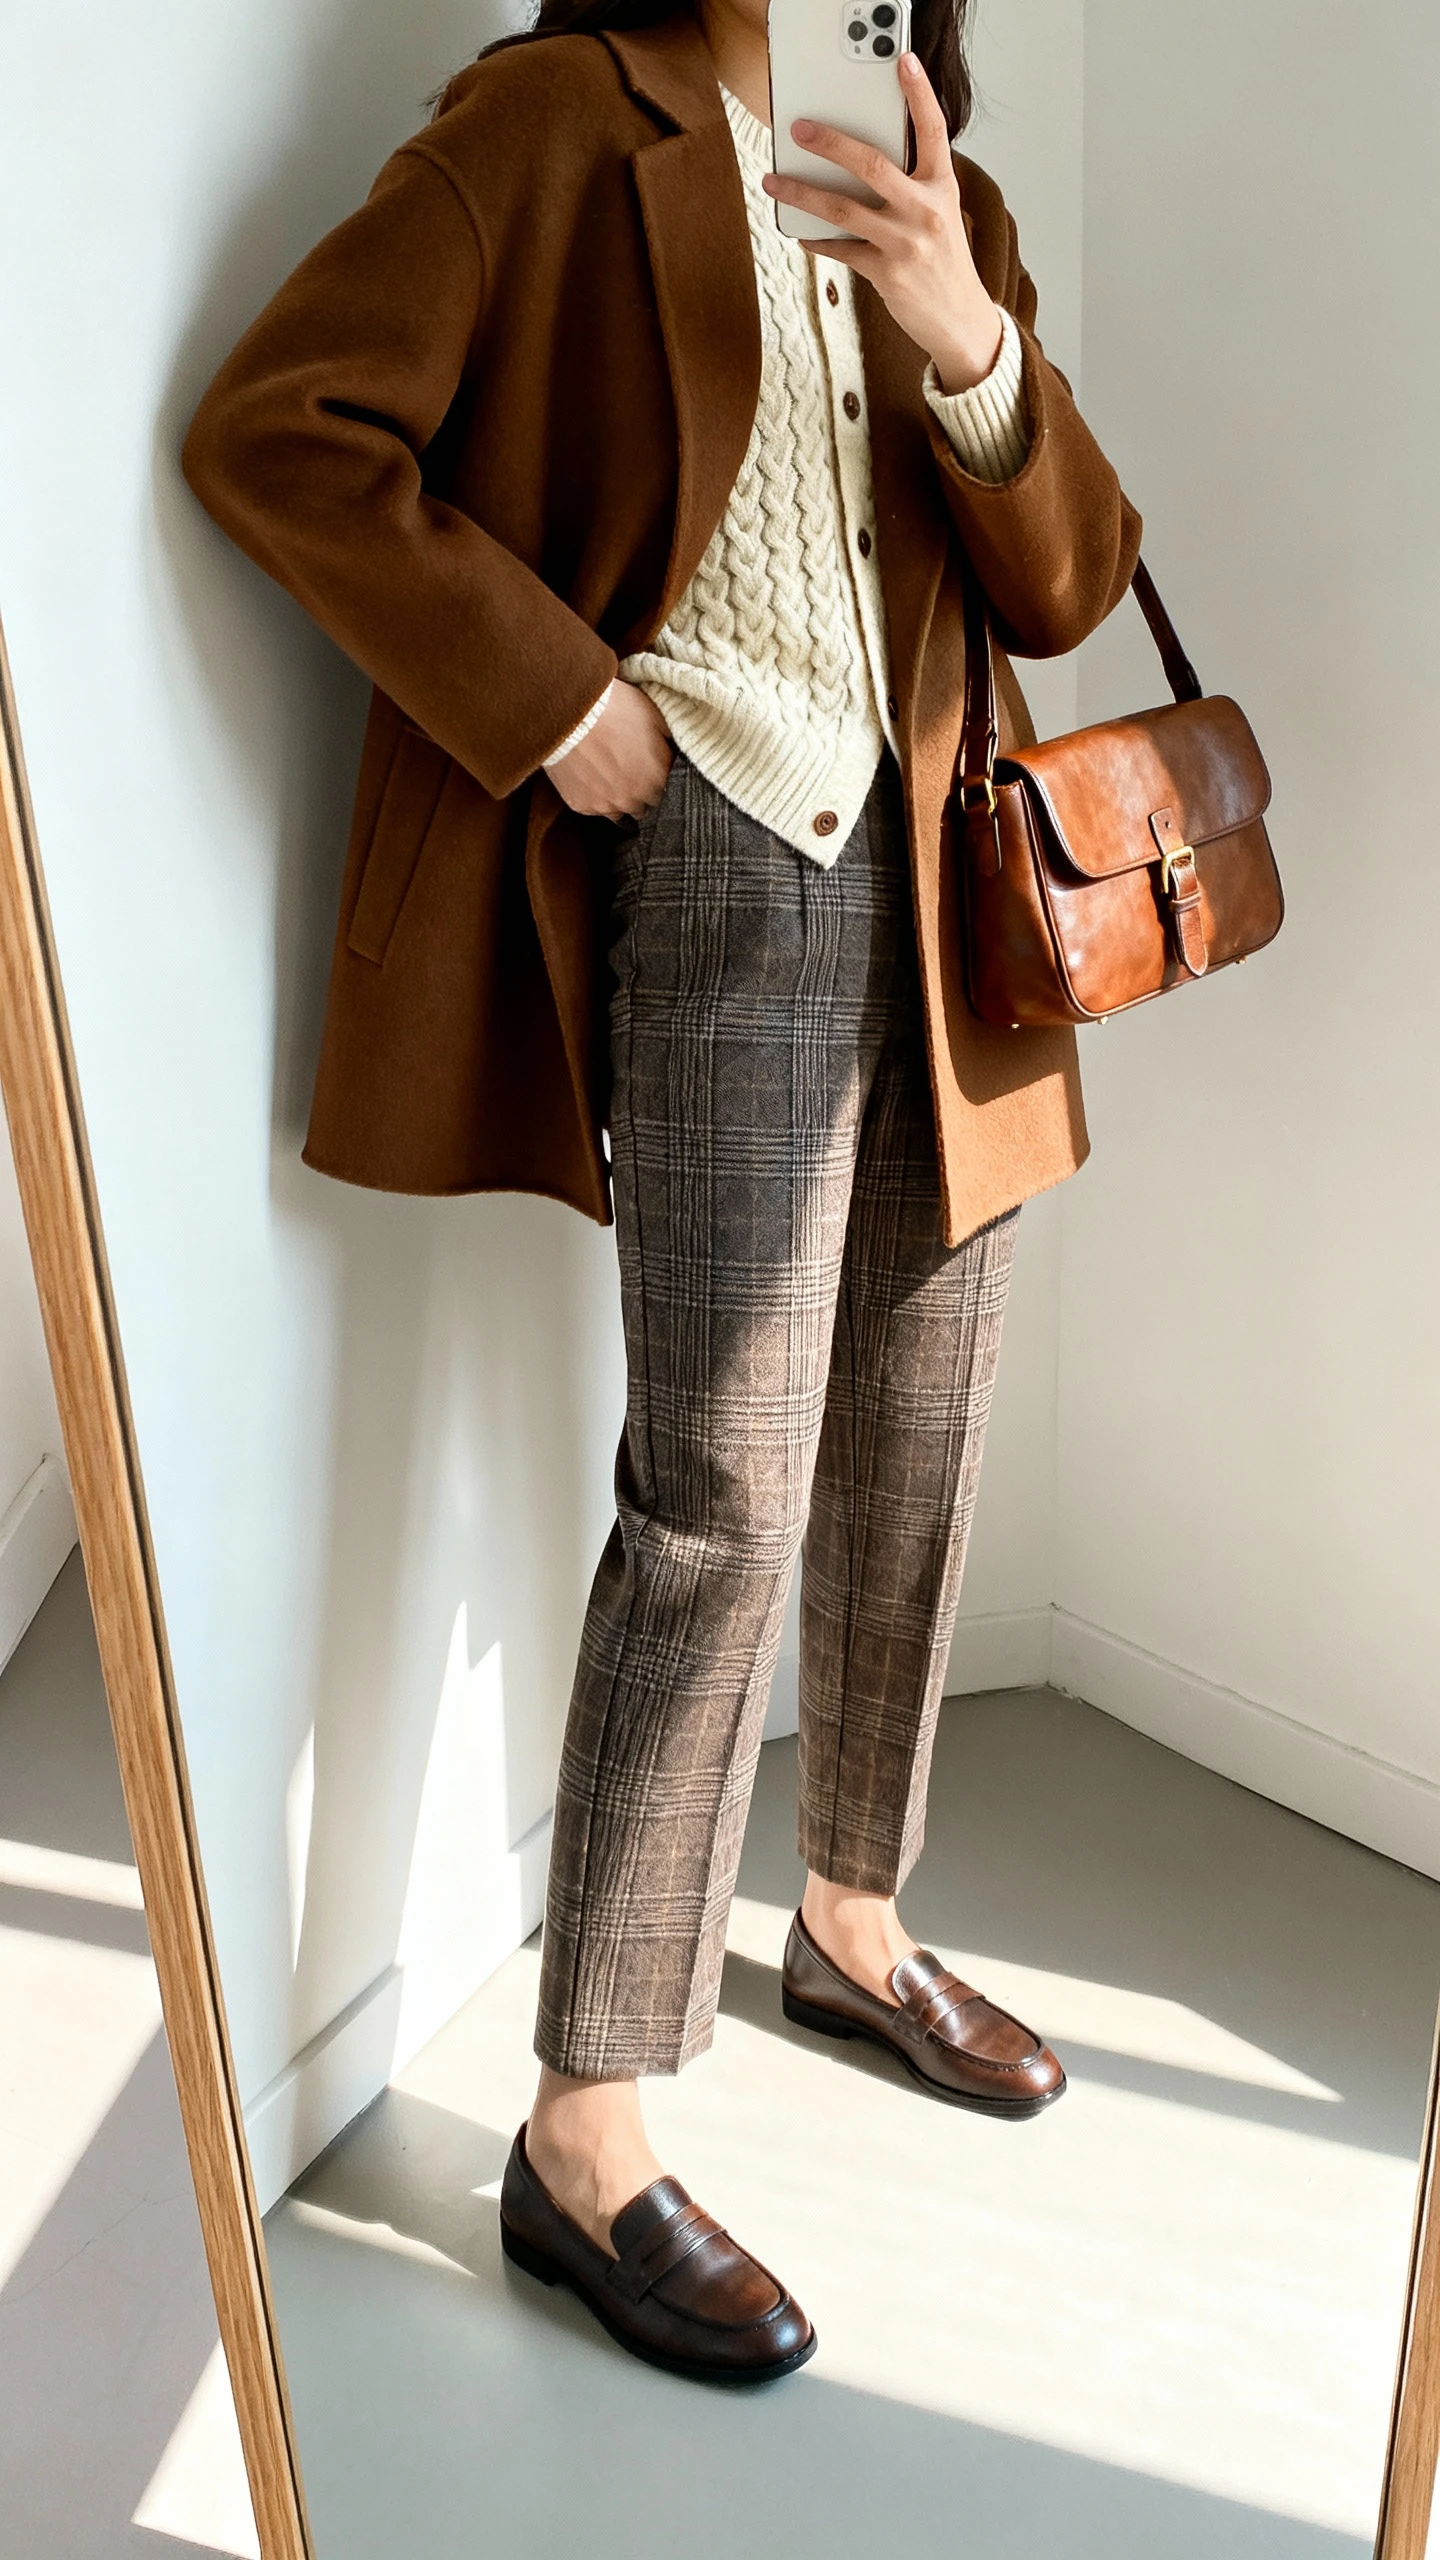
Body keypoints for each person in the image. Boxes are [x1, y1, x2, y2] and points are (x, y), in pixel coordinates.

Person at [184, 0, 1138, 2387]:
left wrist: (965, 331)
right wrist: (553, 699)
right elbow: (284, 431)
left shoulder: (926, 153)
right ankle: (588, 2123)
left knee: (926, 1407)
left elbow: (1069, 579)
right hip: (719, 855)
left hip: (949, 877)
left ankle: (851, 1910)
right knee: (719, 1473)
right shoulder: (551, 118)